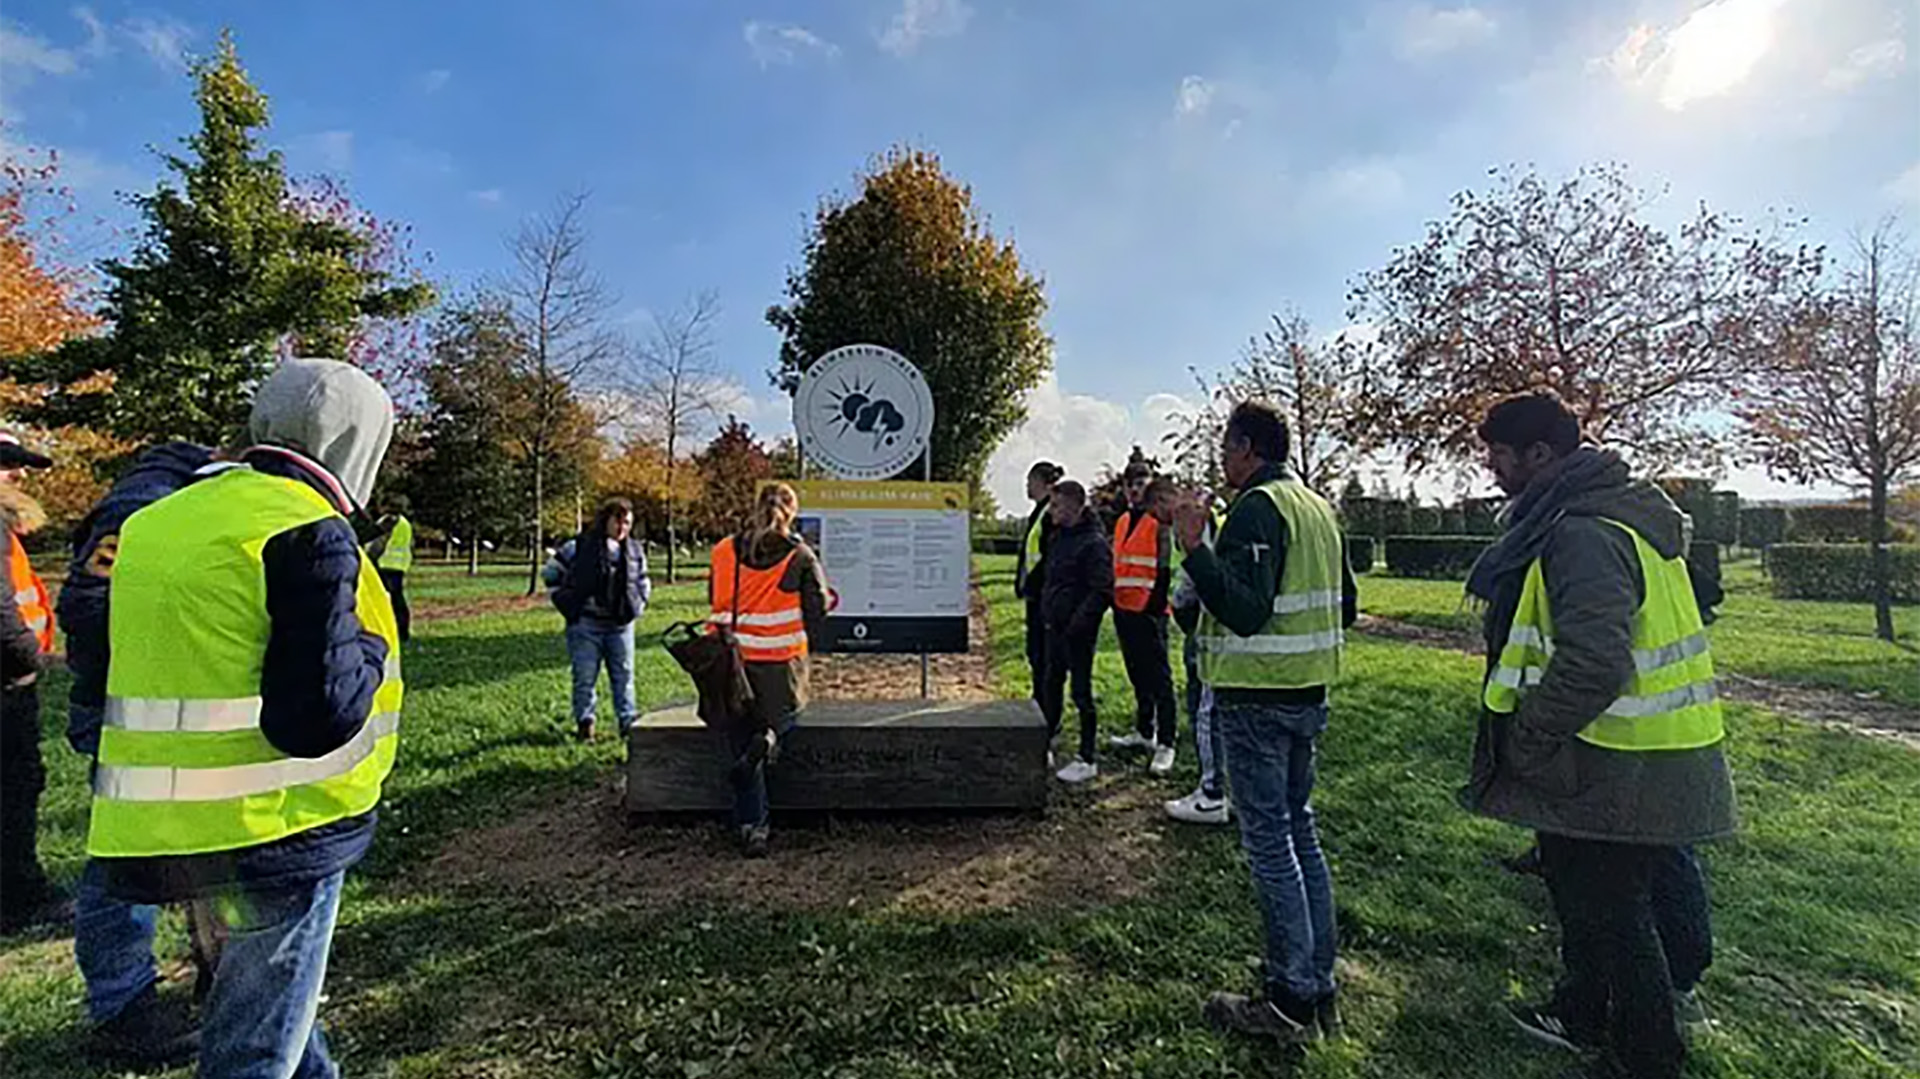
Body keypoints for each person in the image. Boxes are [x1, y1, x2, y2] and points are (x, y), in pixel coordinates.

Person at [86, 358, 404, 1079]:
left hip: (165, 824)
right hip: (278, 825)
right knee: (254, 1046)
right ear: (359, 446)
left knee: (270, 1005)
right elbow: (317, 714)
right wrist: (373, 643)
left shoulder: (156, 522)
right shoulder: (306, 532)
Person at [1463, 391, 1735, 1079]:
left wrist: (1528, 735)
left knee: (1609, 910)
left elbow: (1593, 660)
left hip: (1609, 756)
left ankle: (1645, 1054)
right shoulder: (1625, 515)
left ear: (1541, 455)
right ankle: (1586, 1008)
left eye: (1499, 455)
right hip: (1651, 750)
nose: (1491, 469)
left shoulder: (1580, 531)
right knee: (1617, 899)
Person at [1177, 401, 1358, 1043]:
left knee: (1270, 846)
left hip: (1257, 699)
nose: (1221, 461)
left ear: (1248, 447)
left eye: (1226, 448)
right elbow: (1349, 605)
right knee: (1300, 835)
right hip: (1308, 692)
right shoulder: (1315, 506)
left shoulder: (1258, 507)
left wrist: (1195, 549)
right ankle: (1317, 977)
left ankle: (1288, 1001)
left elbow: (1247, 611)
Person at [59, 440, 216, 1066]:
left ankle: (212, 965)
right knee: (123, 860)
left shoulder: (190, 492)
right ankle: (123, 1004)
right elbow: (88, 603)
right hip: (134, 717)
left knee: (196, 848)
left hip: (177, 717)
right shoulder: (144, 502)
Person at [708, 483, 829, 857]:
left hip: (731, 662)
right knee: (784, 720)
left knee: (740, 742)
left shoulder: (724, 550)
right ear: (791, 512)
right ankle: (771, 739)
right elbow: (818, 608)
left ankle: (753, 827)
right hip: (781, 663)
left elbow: (715, 598)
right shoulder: (800, 555)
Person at [1, 429, 67, 935]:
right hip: (6, 685)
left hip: (13, 680)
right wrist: (35, 659)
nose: (19, 473)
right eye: (8, 464)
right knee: (14, 789)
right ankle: (19, 899)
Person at [545, 498, 651, 742]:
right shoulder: (579, 546)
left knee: (624, 677)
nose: (622, 528)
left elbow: (643, 580)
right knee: (584, 677)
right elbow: (552, 572)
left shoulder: (634, 550)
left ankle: (627, 723)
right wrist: (564, 602)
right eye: (618, 521)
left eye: (627, 523)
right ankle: (585, 724)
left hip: (620, 625)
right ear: (606, 520)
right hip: (586, 625)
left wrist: (639, 605)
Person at [1158, 480, 1231, 826]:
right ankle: (1222, 787)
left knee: (1206, 712)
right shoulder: (1215, 519)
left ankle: (1212, 793)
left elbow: (1195, 573)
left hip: (1209, 631)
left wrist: (1180, 603)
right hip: (1215, 629)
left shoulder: (1200, 524)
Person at [1108, 458, 1180, 775]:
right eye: (1132, 484)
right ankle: (1144, 730)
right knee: (1137, 673)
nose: (1137, 490)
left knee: (1160, 679)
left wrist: (1155, 603)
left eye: (1143, 484)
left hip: (1151, 611)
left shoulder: (1160, 522)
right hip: (1124, 608)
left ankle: (1167, 742)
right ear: (1125, 489)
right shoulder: (1122, 521)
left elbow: (1165, 567)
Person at [1039, 480, 1112, 784]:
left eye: (1056, 505)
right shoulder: (1058, 537)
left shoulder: (1094, 544)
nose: (1051, 510)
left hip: (1077, 633)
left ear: (1075, 506)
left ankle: (1087, 757)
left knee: (1081, 692)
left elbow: (1102, 590)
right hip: (1054, 628)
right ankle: (1046, 741)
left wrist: (1078, 624)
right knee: (1051, 685)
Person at [1014, 462, 1063, 708]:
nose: (1027, 486)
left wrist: (1031, 583)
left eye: (1030, 481)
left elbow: (1047, 556)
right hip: (1036, 595)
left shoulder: (1049, 515)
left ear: (1043, 483)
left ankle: (1046, 708)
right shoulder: (1040, 511)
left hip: (1045, 595)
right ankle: (1039, 701)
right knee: (1035, 653)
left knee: (1043, 656)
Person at [368, 502, 414, 642]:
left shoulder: (389, 521)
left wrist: (370, 559)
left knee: (388, 600)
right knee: (398, 599)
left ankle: (392, 630)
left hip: (385, 564)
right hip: (399, 564)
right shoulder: (405, 523)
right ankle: (403, 630)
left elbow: (379, 542)